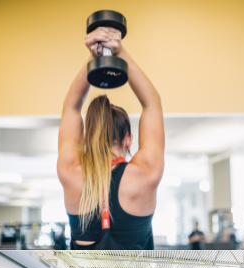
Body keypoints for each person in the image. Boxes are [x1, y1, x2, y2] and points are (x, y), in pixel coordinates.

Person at [58, 25, 164, 250]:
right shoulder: (146, 172)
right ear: (129, 140)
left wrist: (96, 54)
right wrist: (118, 49)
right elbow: (152, 103)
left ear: (88, 137)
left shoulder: (70, 171)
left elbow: (71, 107)